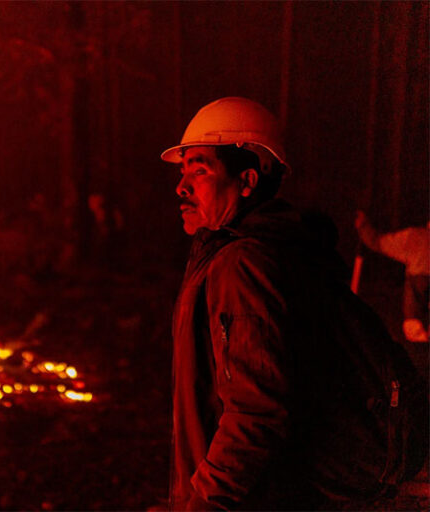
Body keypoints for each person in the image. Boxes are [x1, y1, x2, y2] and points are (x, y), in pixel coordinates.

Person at [160, 97, 422, 511]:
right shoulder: (284, 251)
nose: (182, 185)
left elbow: (255, 409)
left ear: (246, 181)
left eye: (200, 168)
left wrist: (205, 501)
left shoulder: (244, 261)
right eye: (182, 170)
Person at [354, 211, 429, 343]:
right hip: (418, 282)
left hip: (417, 281)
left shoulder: (415, 237)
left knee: (413, 310)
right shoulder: (416, 237)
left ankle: (417, 332)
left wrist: (363, 226)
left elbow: (379, 243)